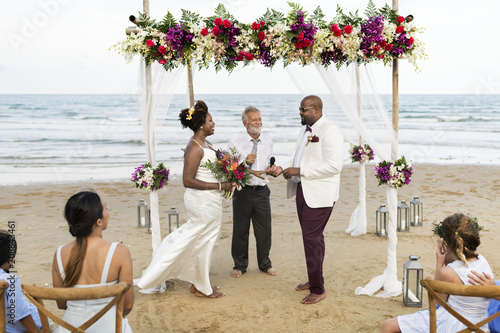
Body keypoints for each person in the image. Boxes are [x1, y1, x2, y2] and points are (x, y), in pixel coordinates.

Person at [136, 100, 235, 298]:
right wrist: (220, 186)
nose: (213, 123)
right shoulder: (194, 147)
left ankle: (198, 283)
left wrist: (230, 177)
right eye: (210, 120)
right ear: (200, 124)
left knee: (206, 241)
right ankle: (200, 287)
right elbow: (188, 180)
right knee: (201, 240)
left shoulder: (207, 144)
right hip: (201, 201)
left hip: (211, 199)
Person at [268, 95, 344, 304]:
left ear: (316, 110)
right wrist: (283, 168)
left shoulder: (330, 131)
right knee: (314, 239)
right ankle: (314, 280)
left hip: (320, 195)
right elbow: (298, 158)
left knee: (311, 240)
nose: (300, 113)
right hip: (302, 190)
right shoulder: (305, 130)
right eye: (299, 110)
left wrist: (299, 170)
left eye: (303, 110)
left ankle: (318, 289)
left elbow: (334, 166)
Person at [382, 213, 493, 333]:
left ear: (446, 244)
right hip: (480, 326)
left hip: (453, 325)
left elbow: (436, 303)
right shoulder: (483, 261)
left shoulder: (447, 272)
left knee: (388, 325)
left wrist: (439, 264)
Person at [52, 190, 134, 333]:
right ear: (99, 221)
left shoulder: (59, 254)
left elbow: (61, 303)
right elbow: (127, 305)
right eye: (106, 208)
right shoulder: (119, 252)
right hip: (109, 328)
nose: (108, 213)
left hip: (71, 328)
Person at [227, 106, 278, 278]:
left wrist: (271, 170)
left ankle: (265, 264)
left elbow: (266, 166)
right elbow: (230, 171)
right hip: (243, 191)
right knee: (240, 230)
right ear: (245, 123)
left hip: (262, 190)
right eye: (254, 120)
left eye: (259, 118)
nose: (258, 122)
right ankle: (240, 265)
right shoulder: (235, 142)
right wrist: (245, 162)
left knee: (264, 230)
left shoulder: (269, 141)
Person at [0, 230, 44, 333]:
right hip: (33, 326)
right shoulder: (10, 280)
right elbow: (20, 313)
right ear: (9, 258)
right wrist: (36, 331)